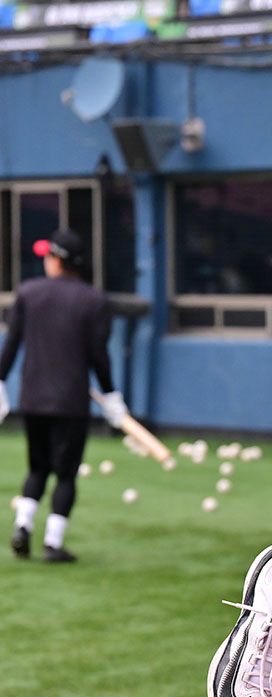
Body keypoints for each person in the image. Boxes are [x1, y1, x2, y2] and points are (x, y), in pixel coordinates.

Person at [0, 229, 128, 562]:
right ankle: (53, 543)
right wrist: (112, 396)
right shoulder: (94, 300)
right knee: (66, 473)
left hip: (33, 398)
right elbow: (99, 356)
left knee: (37, 467)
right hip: (70, 402)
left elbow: (10, 345)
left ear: (57, 259)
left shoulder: (28, 293)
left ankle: (23, 526)